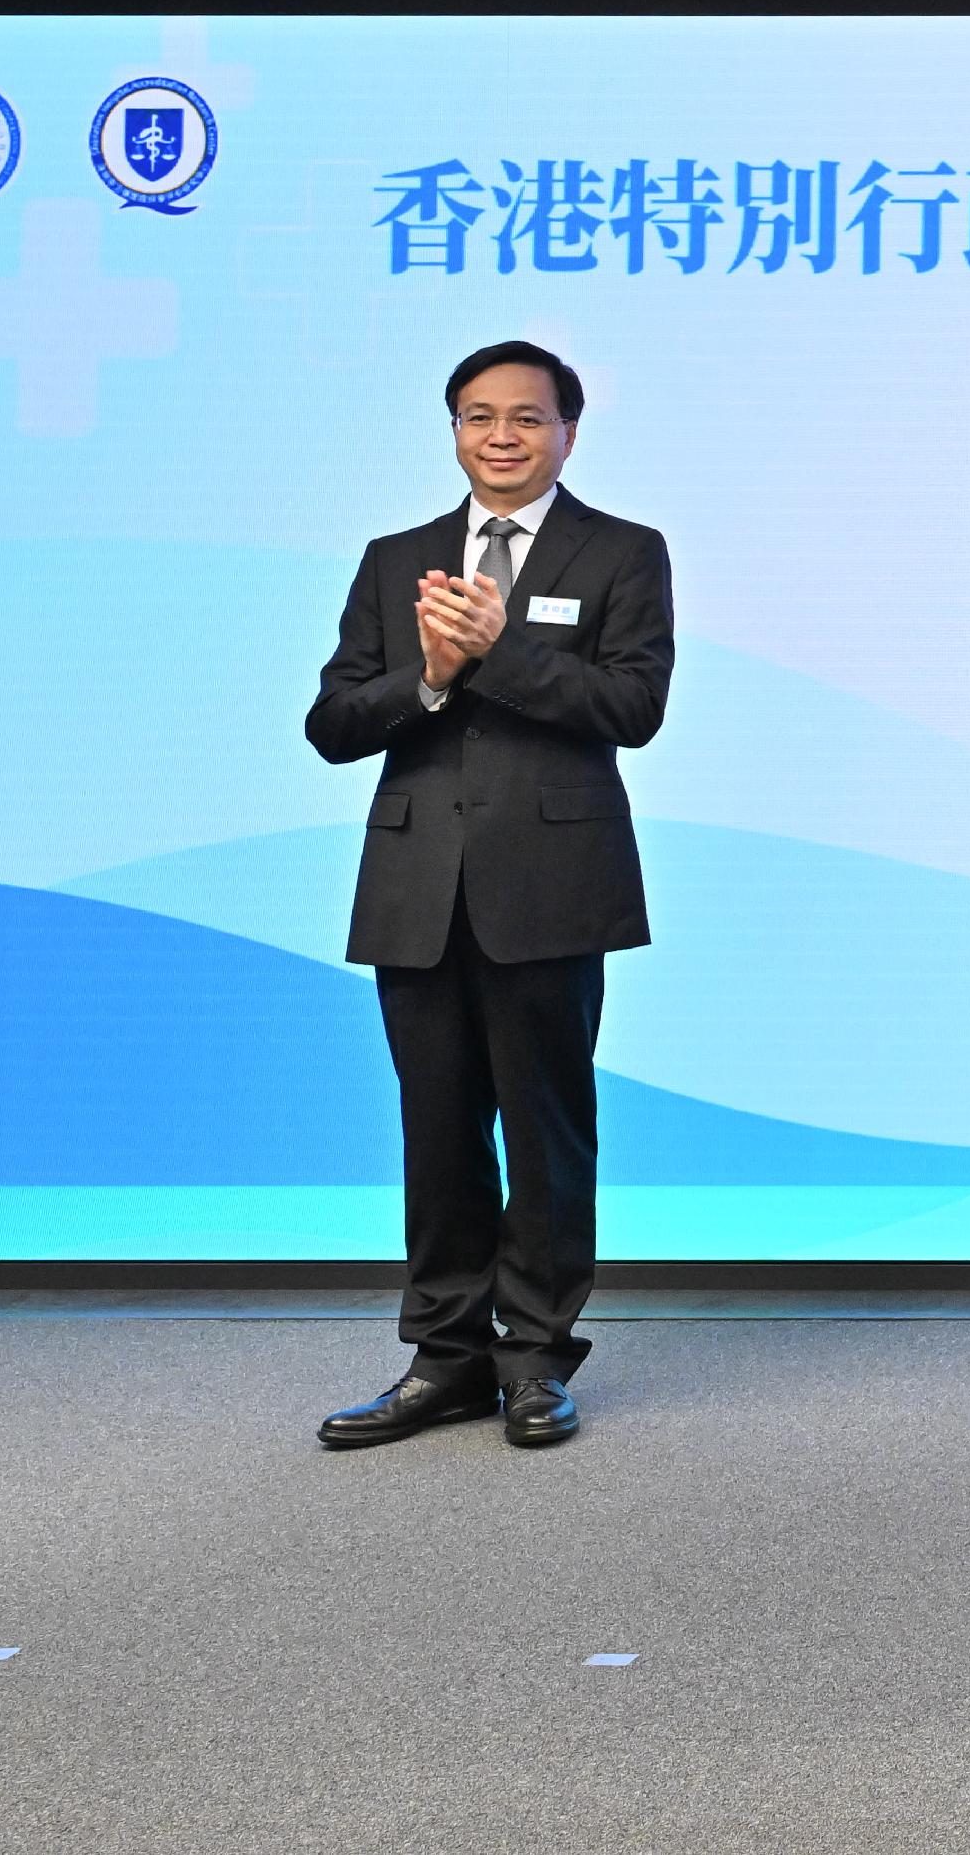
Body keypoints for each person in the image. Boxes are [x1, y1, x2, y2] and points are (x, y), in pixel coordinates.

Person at [304, 342, 673, 1451]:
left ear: (569, 430)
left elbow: (633, 706)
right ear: (454, 429)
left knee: (548, 1133)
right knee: (437, 1131)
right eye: (478, 417)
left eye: (526, 417)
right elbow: (331, 724)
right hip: (417, 885)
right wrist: (424, 676)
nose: (501, 436)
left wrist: (494, 651)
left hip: (552, 885)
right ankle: (445, 1357)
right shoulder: (395, 558)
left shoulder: (622, 552)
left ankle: (538, 1359)